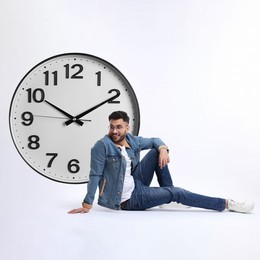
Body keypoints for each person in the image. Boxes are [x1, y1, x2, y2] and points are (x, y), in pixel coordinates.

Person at [68, 111, 254, 214]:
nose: (114, 131)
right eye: (111, 127)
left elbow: (156, 140)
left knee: (156, 151)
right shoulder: (102, 146)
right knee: (177, 192)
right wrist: (87, 204)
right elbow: (95, 175)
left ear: (127, 127)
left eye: (118, 127)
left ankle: (168, 197)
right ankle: (227, 204)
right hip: (127, 199)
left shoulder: (132, 141)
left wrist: (164, 149)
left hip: (137, 183)